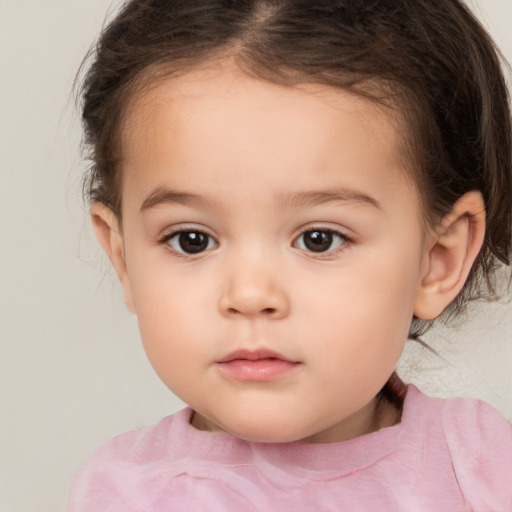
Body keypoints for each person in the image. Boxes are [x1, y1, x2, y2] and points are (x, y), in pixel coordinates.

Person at [67, 0, 512, 510]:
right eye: (192, 239)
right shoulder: (123, 495)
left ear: (438, 259)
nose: (250, 295)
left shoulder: (483, 468)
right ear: (122, 258)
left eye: (319, 238)